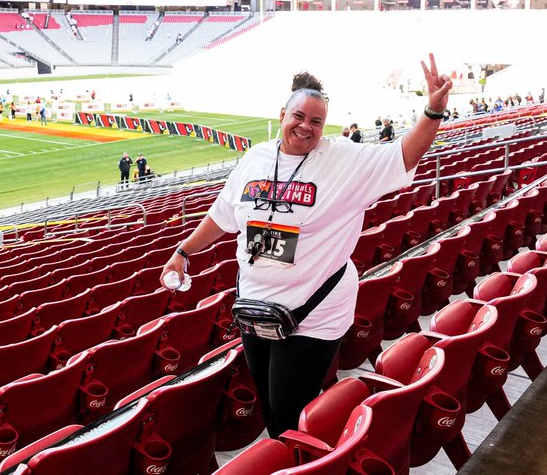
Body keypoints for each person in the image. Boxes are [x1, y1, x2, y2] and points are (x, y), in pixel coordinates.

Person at [158, 57, 453, 438]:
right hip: (257, 306)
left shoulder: (343, 159)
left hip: (313, 313)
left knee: (287, 411)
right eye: (298, 116)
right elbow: (223, 214)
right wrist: (183, 252)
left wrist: (433, 110)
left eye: (316, 121)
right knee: (268, 401)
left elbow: (404, 155)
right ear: (282, 114)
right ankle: (289, 464)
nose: (306, 127)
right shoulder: (255, 158)